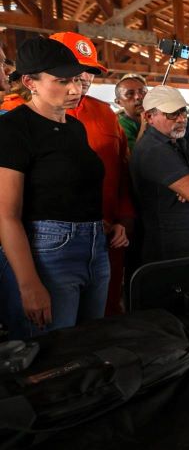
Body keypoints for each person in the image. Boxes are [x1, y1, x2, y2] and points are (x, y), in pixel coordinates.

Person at [0, 37, 109, 338]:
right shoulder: (13, 128)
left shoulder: (76, 127)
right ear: (29, 82)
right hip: (49, 253)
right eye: (61, 81)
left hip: (94, 248)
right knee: (55, 356)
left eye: (76, 79)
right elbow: (6, 215)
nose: (74, 89)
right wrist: (28, 283)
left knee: (89, 344)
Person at [50, 31, 135, 316]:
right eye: (77, 69)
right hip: (56, 245)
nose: (85, 78)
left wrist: (123, 220)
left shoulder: (106, 114)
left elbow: (122, 171)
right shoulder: (16, 114)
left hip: (111, 237)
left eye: (91, 71)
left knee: (106, 313)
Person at [130, 86, 189, 263]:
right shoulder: (154, 149)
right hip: (171, 251)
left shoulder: (181, 141)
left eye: (183, 111)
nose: (182, 119)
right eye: (172, 114)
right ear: (149, 117)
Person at [115, 73, 148, 153]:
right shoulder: (118, 126)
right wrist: (145, 125)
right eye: (130, 94)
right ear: (119, 102)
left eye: (142, 92)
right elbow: (133, 157)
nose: (138, 97)